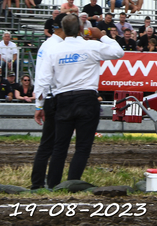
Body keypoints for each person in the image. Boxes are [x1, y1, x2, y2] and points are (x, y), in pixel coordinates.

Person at [38, 14, 124, 188]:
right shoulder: (91, 45)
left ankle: (53, 185)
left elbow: (44, 80)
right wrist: (102, 36)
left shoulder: (54, 50)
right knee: (82, 147)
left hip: (62, 100)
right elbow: (118, 52)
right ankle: (71, 184)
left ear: (61, 29)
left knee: (59, 146)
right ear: (80, 29)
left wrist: (39, 105)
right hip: (87, 99)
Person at [30, 12, 66, 189]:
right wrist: (40, 103)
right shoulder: (58, 46)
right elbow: (44, 78)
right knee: (57, 144)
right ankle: (51, 183)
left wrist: (39, 104)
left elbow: (40, 77)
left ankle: (37, 182)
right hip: (55, 97)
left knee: (47, 143)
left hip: (48, 97)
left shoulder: (46, 44)